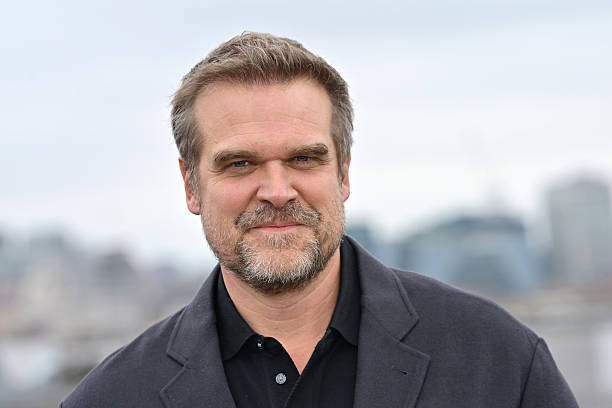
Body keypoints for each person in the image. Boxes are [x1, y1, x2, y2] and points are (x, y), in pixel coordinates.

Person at [61, 32, 578, 408]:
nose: (277, 191)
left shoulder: (499, 361)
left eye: (304, 159)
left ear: (344, 173)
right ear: (191, 185)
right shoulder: (110, 398)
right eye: (240, 164)